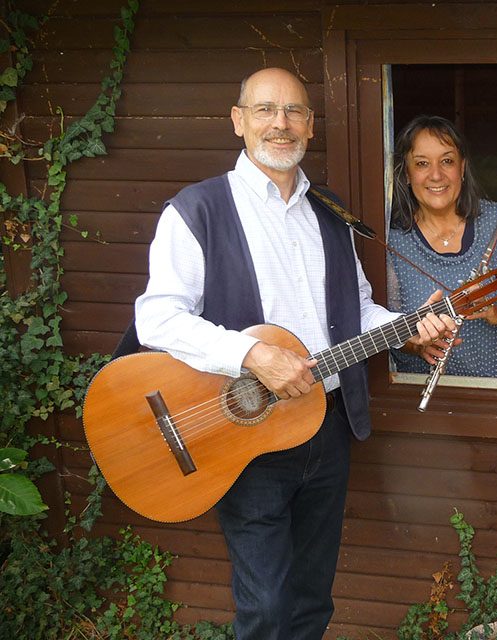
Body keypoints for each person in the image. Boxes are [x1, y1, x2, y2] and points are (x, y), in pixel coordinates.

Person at [133, 68, 454, 640]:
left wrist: (408, 330)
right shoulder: (197, 210)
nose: (280, 124)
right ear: (238, 121)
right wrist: (251, 355)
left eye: (294, 112)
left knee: (311, 601)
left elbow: (356, 311)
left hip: (325, 432)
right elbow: (156, 319)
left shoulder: (329, 214)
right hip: (245, 439)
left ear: (309, 125)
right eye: (264, 110)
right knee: (265, 609)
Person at [387, 115, 497, 379]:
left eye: (447, 161)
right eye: (421, 164)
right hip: (427, 403)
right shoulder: (393, 241)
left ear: (462, 168)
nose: (436, 174)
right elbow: (386, 327)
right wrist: (415, 344)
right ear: (407, 173)